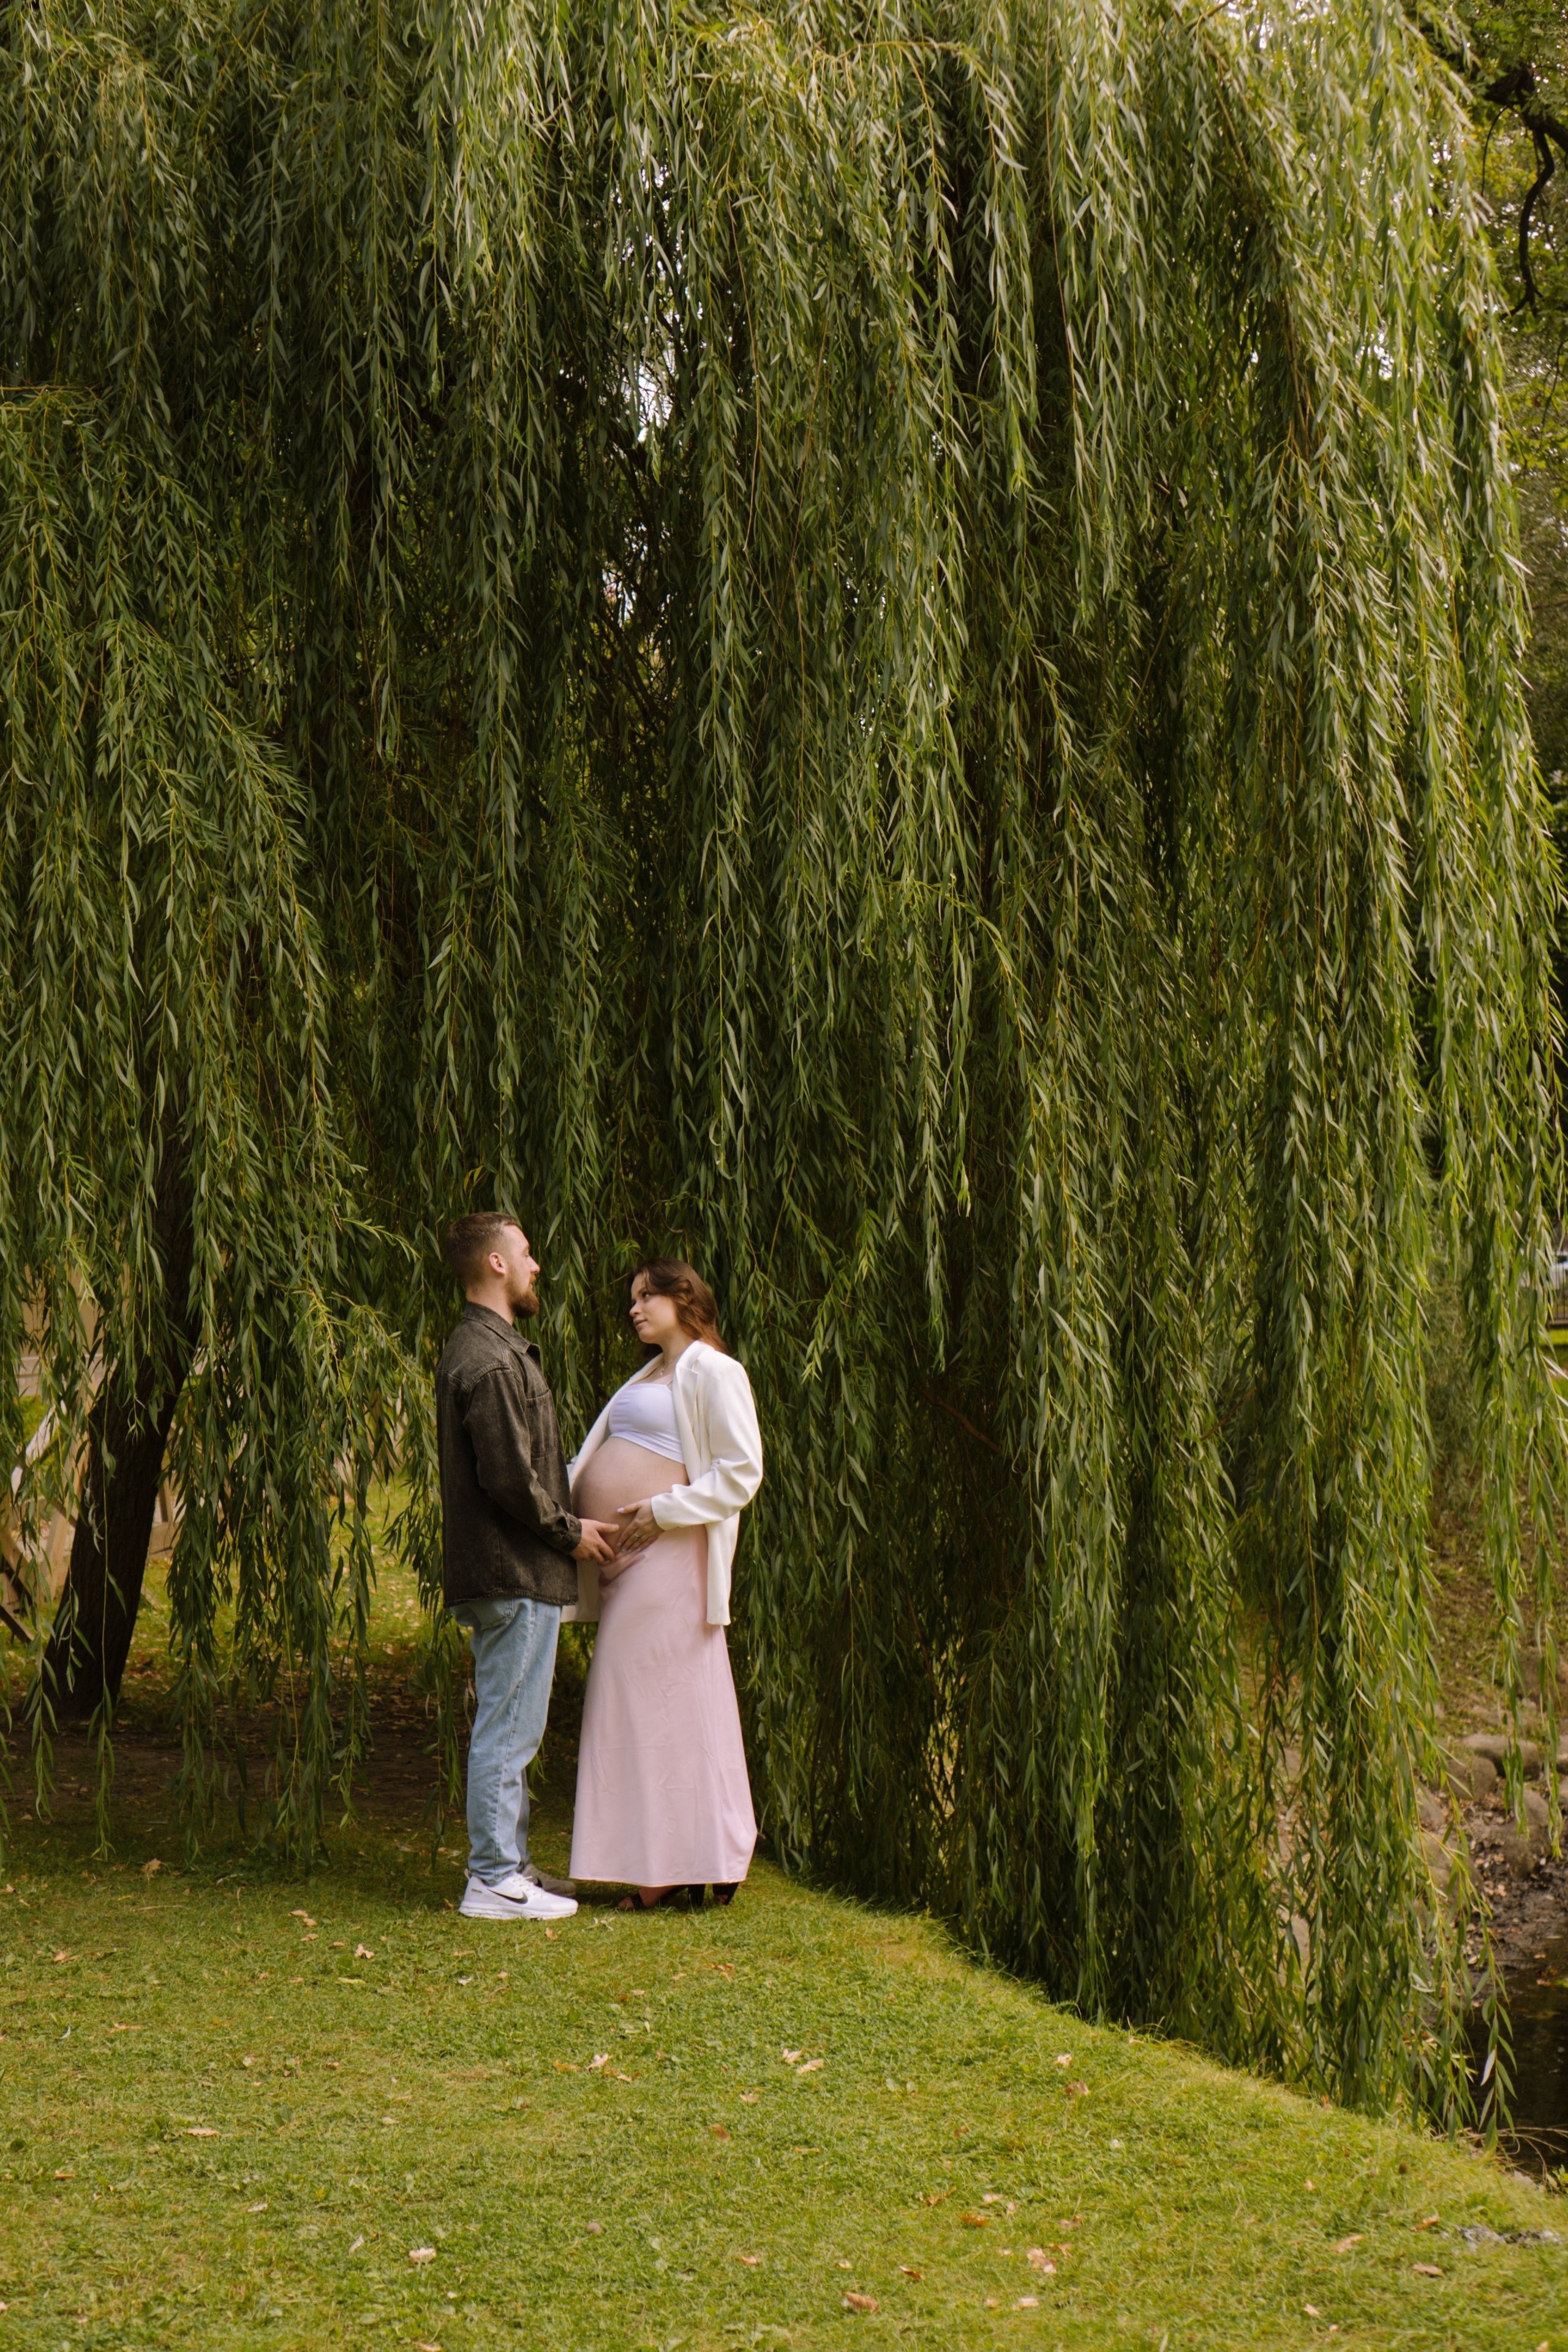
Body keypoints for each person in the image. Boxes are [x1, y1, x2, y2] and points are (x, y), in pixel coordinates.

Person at [434, 1212, 618, 1923]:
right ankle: (491, 1881)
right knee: (508, 1730)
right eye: (527, 1252)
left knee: (514, 1726)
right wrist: (570, 1534)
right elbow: (509, 1477)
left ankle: (511, 1869)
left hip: (513, 1573)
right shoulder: (487, 1359)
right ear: (497, 1264)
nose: (537, 1265)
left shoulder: (491, 1350)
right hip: (512, 1572)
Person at [567, 1258, 763, 1909]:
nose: (634, 1309)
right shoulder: (648, 1373)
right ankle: (684, 1858)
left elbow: (741, 1472)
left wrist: (663, 1508)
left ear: (684, 1298)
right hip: (624, 1563)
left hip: (671, 1558)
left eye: (646, 1296)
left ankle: (670, 1868)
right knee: (656, 1707)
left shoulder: (714, 1370)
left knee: (652, 1704)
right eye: (631, 1299)